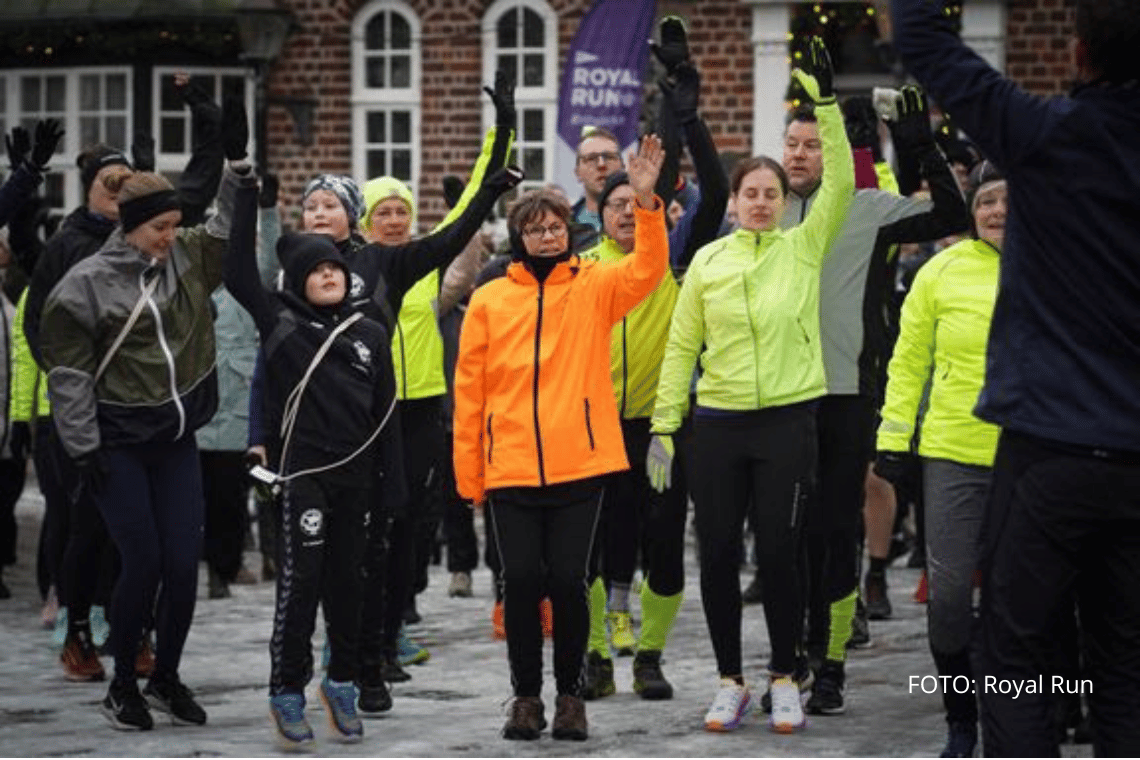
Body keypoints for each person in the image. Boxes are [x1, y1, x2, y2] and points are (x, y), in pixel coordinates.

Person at [890, 0, 1140, 755]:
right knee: (1127, 666)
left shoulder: (1045, 134)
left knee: (1014, 660)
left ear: (1077, 53)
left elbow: (925, 39)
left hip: (1049, 451)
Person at [648, 37, 853, 735]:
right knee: (716, 556)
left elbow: (845, 183)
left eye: (772, 193)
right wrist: (664, 424)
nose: (762, 202)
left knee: (781, 551)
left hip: (788, 422)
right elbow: (682, 346)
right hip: (719, 425)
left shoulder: (805, 244)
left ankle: (786, 674)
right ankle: (730, 678)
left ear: (783, 200)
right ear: (732, 201)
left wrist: (825, 105)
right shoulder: (706, 261)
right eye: (750, 193)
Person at [453, 135, 666, 741]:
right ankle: (526, 698)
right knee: (521, 584)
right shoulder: (490, 299)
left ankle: (570, 696)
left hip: (580, 466)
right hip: (511, 468)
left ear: (569, 232)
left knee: (571, 584)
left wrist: (646, 205)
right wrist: (470, 473)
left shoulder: (596, 283)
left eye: (556, 228)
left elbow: (649, 269)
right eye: (536, 230)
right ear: (519, 238)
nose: (548, 238)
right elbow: (469, 392)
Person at [38, 162, 253, 731]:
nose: (170, 236)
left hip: (176, 438)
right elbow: (68, 376)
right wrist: (83, 449)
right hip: (116, 444)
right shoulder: (84, 285)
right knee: (144, 560)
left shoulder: (184, 255)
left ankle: (166, 677)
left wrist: (237, 173)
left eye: (176, 224)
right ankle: (122, 685)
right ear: (130, 225)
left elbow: (227, 234)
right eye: (159, 226)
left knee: (183, 564)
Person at [779, 84, 968, 715]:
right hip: (779, 398)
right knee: (789, 535)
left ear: (831, 154)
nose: (801, 154)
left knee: (835, 532)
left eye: (813, 145)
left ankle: (829, 663)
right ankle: (790, 660)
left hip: (845, 393)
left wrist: (920, 143)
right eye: (792, 144)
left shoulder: (864, 208)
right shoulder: (765, 209)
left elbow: (949, 215)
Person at [226, 173, 407, 747]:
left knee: (349, 590)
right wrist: (246, 195)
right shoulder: (280, 322)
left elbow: (386, 417)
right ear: (299, 280)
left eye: (334, 267)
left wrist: (393, 483)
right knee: (301, 587)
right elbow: (235, 272)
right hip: (303, 477)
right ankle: (286, 688)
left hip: (356, 480)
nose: (328, 274)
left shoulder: (368, 332)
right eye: (316, 269)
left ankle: (343, 682)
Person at [581, 15, 730, 703]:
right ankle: (594, 651)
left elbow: (717, 195)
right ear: (598, 212)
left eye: (632, 203)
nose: (622, 211)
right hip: (593, 427)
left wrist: (683, 111)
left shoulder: (673, 258)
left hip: (664, 428)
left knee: (665, 541)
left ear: (652, 211)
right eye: (611, 204)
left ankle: (649, 654)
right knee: (594, 541)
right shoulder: (580, 268)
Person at [875, 161, 1004, 758]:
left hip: (1034, 457)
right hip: (953, 454)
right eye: (986, 202)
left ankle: (1042, 706)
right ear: (971, 211)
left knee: (1030, 600)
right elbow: (908, 363)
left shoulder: (1057, 266)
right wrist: (894, 439)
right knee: (950, 598)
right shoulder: (939, 272)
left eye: (1007, 200)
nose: (997, 211)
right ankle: (960, 714)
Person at [571, 126, 624, 231]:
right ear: (578, 173)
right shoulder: (565, 225)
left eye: (609, 157)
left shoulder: (641, 220)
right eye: (591, 158)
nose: (601, 164)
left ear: (623, 167)